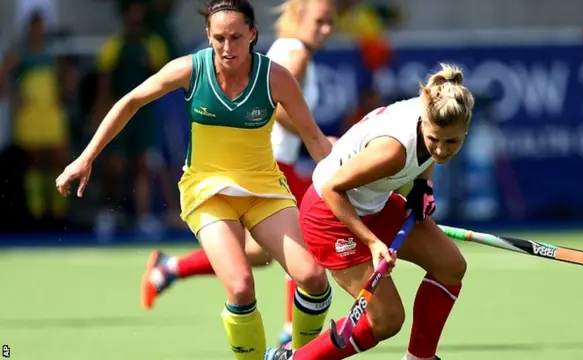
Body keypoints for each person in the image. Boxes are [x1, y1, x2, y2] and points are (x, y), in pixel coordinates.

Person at [55, 1, 334, 359]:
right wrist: (85, 157)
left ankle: (300, 354)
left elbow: (313, 139)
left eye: (236, 37)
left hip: (264, 190)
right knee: (241, 286)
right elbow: (131, 101)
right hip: (207, 192)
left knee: (312, 277)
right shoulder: (191, 69)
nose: (228, 48)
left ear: (253, 34)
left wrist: (342, 190)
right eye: (219, 38)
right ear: (208, 36)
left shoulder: (275, 77)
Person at [138, 0, 335, 346]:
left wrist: (314, 136)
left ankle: (171, 269)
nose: (327, 30)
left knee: (257, 255)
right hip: (267, 163)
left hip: (269, 164)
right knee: (304, 245)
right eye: (320, 22)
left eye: (330, 23)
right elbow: (281, 112)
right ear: (299, 18)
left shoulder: (284, 53)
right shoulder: (294, 55)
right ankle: (292, 333)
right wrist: (316, 136)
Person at [265, 63, 475, 360]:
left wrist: (422, 186)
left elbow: (426, 153)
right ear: (424, 125)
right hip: (330, 216)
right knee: (387, 320)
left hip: (372, 204)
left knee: (450, 266)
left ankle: (420, 358)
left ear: (466, 130)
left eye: (451, 141)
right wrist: (373, 243)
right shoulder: (392, 151)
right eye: (434, 140)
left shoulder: (433, 106)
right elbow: (332, 189)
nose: (440, 150)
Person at [92, 0, 169, 239]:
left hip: (144, 115)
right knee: (115, 164)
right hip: (120, 111)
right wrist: (99, 113)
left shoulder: (154, 46)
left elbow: (161, 79)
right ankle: (107, 212)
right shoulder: (112, 47)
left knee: (142, 164)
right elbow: (104, 86)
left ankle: (143, 216)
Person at [0, 10, 71, 225]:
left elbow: (65, 75)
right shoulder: (20, 53)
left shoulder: (52, 51)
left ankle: (58, 211)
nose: (37, 30)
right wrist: (13, 97)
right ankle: (37, 213)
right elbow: (3, 73)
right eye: (34, 26)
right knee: (34, 161)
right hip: (30, 113)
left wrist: (63, 91)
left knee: (58, 158)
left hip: (50, 111)